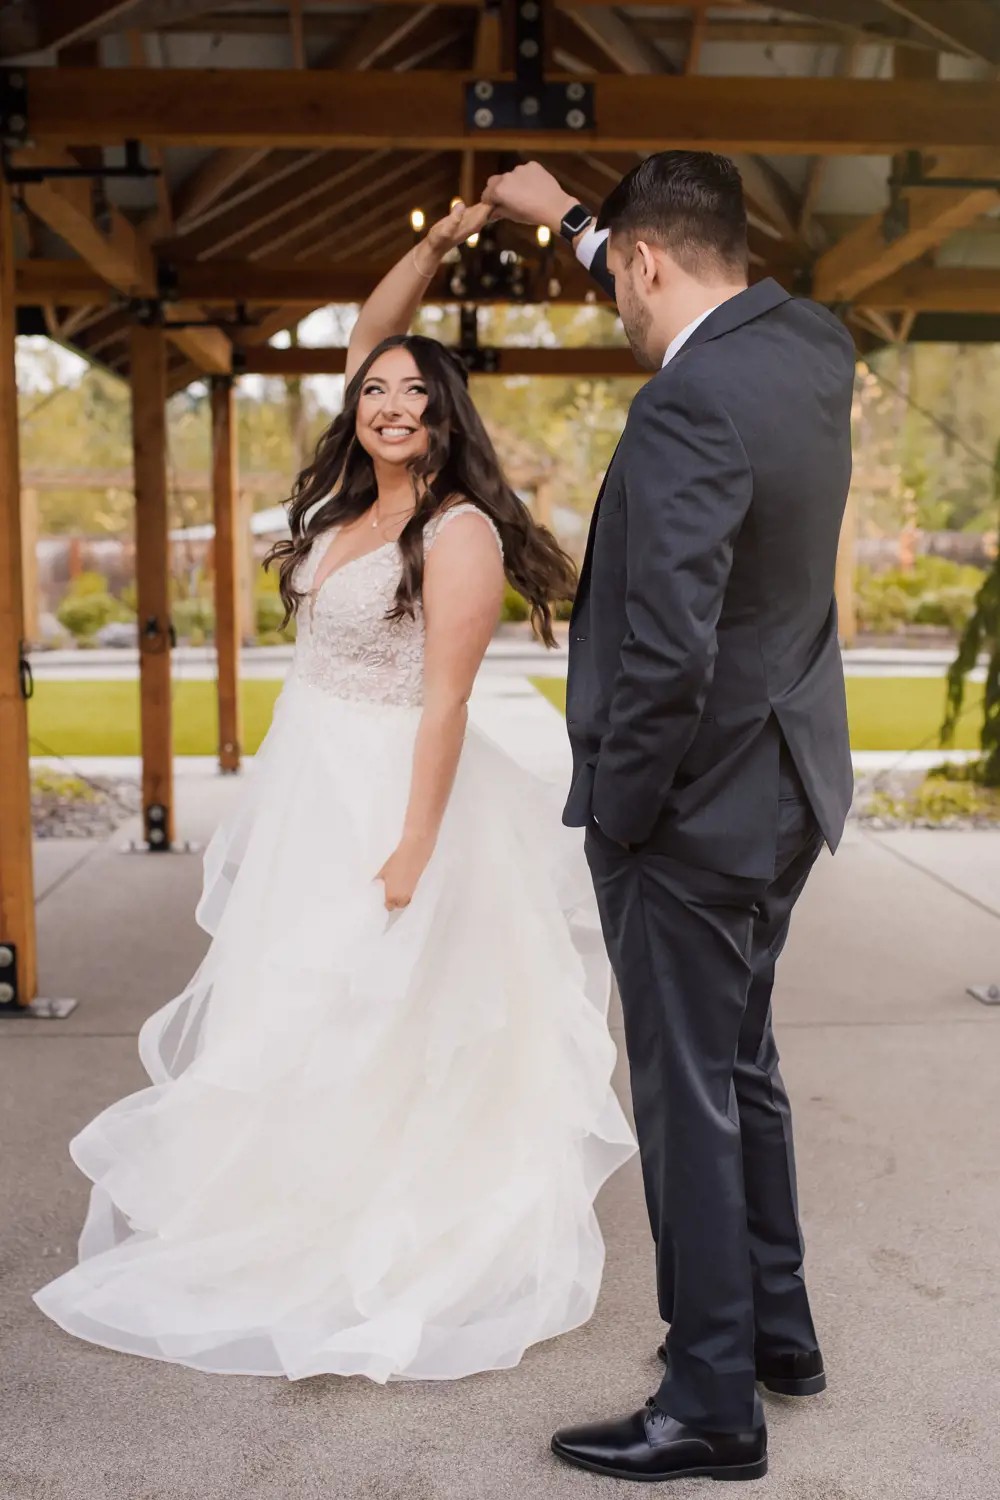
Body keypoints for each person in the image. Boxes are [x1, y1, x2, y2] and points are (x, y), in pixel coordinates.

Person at [33, 200, 636, 1383]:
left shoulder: (457, 532)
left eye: (416, 395)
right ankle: (278, 1195)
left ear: (444, 417)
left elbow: (447, 704)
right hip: (309, 785)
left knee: (378, 1014)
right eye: (376, 392)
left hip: (388, 797)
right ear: (357, 408)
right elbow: (372, 326)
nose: (394, 405)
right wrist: (435, 239)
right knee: (286, 1000)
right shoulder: (350, 509)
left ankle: (380, 1225)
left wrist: (413, 847)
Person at [483, 154, 855, 1482]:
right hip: (793, 784)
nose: (622, 315)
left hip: (696, 812)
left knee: (685, 1089)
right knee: (741, 1059)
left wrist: (621, 816)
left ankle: (710, 1404)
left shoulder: (685, 408)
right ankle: (775, 1333)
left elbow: (666, 653)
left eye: (621, 283)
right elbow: (672, 273)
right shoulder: (810, 344)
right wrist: (575, 221)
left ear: (649, 262)